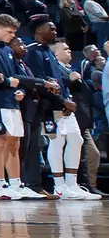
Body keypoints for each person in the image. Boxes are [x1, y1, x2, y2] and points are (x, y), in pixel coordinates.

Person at [0, 13, 42, 199]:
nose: (13, 35)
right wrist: (6, 82)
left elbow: (15, 76)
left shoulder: (7, 50)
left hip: (11, 101)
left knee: (15, 141)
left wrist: (19, 89)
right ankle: (0, 184)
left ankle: (16, 183)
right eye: (10, 31)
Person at [46, 39, 99, 199]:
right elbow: (53, 85)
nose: (69, 51)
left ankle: (72, 184)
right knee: (57, 142)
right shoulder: (52, 65)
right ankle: (59, 186)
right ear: (55, 53)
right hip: (55, 108)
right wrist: (72, 81)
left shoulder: (66, 68)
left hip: (69, 110)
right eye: (65, 49)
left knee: (76, 140)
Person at [21, 19, 68, 193]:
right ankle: (32, 185)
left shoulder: (46, 50)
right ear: (40, 31)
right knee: (33, 145)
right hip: (36, 105)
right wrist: (62, 101)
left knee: (40, 144)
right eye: (52, 28)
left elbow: (56, 81)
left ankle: (38, 185)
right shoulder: (33, 52)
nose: (55, 31)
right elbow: (40, 82)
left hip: (50, 105)